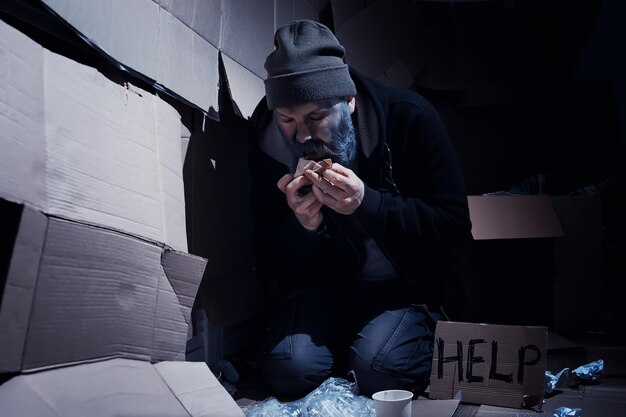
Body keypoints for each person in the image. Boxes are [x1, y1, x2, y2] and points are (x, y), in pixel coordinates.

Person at [247, 19, 472, 398]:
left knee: (381, 372)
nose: (302, 136)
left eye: (317, 117)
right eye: (288, 119)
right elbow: (263, 254)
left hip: (403, 286)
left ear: (349, 101)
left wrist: (368, 204)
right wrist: (303, 226)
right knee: (288, 371)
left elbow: (453, 226)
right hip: (320, 285)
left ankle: (371, 350)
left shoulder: (409, 117)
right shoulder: (269, 141)